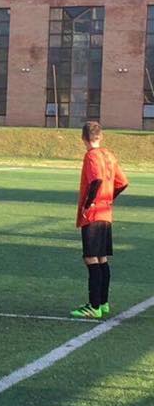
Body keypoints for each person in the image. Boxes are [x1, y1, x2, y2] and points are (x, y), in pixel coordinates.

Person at [71, 121, 129, 319]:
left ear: (83, 138)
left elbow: (96, 180)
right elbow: (122, 182)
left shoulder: (91, 156)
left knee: (91, 258)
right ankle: (103, 303)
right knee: (102, 258)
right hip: (106, 213)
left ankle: (94, 306)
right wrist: (109, 198)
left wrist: (88, 204)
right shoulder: (109, 155)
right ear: (100, 136)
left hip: (94, 214)